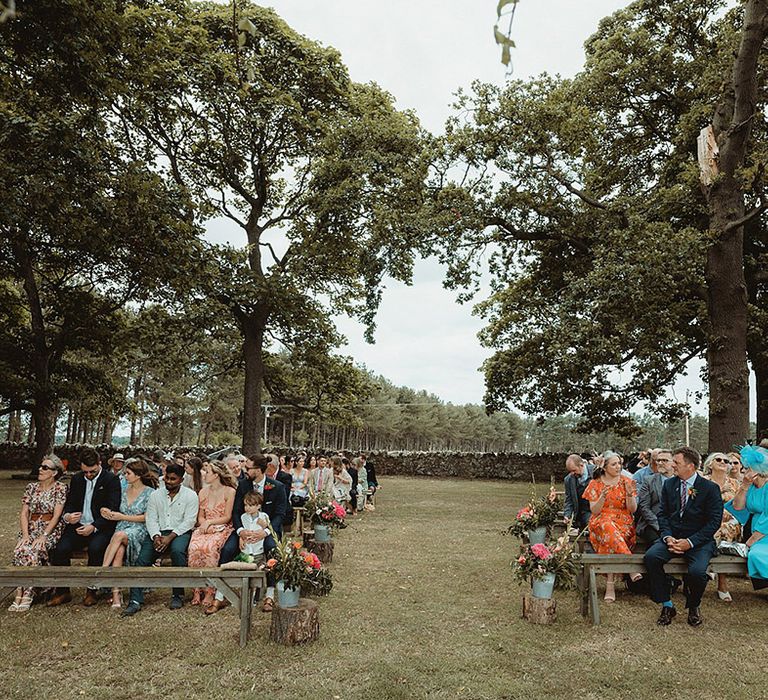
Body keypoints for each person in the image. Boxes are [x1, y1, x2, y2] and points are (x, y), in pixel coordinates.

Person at [643, 447, 723, 627]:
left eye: (676, 462)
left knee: (697, 572)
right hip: (673, 538)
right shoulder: (670, 485)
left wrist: (690, 542)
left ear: (691, 466)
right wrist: (667, 537)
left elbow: (713, 522)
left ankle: (694, 605)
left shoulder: (710, 488)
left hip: (699, 542)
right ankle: (667, 605)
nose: (672, 465)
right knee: (651, 557)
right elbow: (662, 515)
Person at [121, 463, 199, 616]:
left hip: (180, 533)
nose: (169, 482)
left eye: (173, 479)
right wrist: (156, 536)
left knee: (177, 552)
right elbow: (151, 519)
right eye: (167, 478)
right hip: (158, 532)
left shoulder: (190, 495)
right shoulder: (156, 495)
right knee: (142, 559)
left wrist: (170, 537)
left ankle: (178, 594)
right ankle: (135, 600)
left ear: (181, 480)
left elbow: (189, 521)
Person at [48, 447, 122, 607]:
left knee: (96, 548)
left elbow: (113, 508)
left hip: (101, 527)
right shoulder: (77, 479)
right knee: (60, 548)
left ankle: (91, 591)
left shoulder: (111, 480)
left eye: (92, 472)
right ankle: (62, 591)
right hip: (78, 526)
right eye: (85, 471)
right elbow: (70, 503)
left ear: (99, 464)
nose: (88, 475)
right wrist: (68, 516)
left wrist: (94, 526)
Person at [215, 455, 287, 612]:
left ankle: (269, 595)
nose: (244, 470)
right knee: (227, 550)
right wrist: (241, 532)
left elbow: (280, 515)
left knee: (272, 551)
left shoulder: (277, 486)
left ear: (260, 470)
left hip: (267, 531)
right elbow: (236, 512)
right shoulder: (242, 485)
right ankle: (219, 595)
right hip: (245, 528)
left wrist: (266, 532)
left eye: (248, 468)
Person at [9, 455, 67, 612]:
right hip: (32, 527)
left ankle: (28, 594)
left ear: (54, 472)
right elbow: (24, 513)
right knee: (21, 549)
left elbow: (57, 515)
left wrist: (44, 536)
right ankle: (19, 591)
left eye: (45, 468)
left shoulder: (60, 488)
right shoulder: (31, 487)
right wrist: (26, 535)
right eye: (41, 466)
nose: (40, 470)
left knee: (34, 551)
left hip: (50, 528)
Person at [99, 459, 157, 609]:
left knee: (118, 536)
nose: (125, 476)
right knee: (118, 550)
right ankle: (116, 594)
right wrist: (106, 511)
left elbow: (147, 517)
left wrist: (121, 517)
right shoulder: (123, 491)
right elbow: (114, 508)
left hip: (140, 529)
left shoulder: (150, 493)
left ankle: (102, 571)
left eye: (128, 473)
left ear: (137, 475)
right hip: (122, 527)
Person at [582, 451, 638, 602]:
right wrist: (602, 497)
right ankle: (630, 564)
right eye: (614, 464)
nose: (618, 466)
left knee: (611, 538)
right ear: (605, 467)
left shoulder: (628, 482)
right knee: (607, 526)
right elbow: (594, 510)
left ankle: (610, 585)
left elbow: (633, 510)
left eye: (619, 463)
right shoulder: (595, 484)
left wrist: (629, 495)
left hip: (623, 523)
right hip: (600, 521)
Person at [206, 491, 271, 615]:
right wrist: (241, 537)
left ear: (258, 506)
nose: (247, 508)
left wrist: (265, 528)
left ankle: (250, 601)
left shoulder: (263, 517)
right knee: (232, 571)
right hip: (246, 552)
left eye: (251, 505)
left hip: (258, 552)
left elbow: (269, 530)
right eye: (246, 505)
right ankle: (219, 598)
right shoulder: (243, 517)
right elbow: (242, 530)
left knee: (256, 574)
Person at [187, 460, 236, 608]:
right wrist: (204, 524)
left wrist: (211, 523)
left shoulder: (229, 491)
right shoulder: (203, 492)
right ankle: (196, 589)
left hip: (221, 526)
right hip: (205, 526)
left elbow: (228, 516)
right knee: (194, 547)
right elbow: (200, 516)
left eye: (208, 472)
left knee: (210, 548)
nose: (204, 475)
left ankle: (210, 590)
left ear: (216, 475)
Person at [702, 451, 742, 602]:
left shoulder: (735, 484)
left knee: (723, 530)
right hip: (706, 521)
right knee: (711, 529)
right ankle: (715, 580)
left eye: (726, 461)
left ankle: (721, 581)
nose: (723, 462)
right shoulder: (701, 481)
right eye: (718, 459)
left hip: (729, 523)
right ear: (710, 464)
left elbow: (740, 507)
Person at [732, 446, 768, 589]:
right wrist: (745, 485)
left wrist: (751, 540)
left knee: (757, 554)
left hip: (763, 531)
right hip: (753, 528)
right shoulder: (751, 486)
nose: (744, 471)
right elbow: (737, 506)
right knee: (755, 553)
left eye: (748, 468)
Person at [636, 450, 674, 543]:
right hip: (652, 524)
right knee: (658, 544)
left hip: (675, 525)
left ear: (674, 462)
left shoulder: (681, 481)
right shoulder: (649, 481)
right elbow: (644, 507)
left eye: (664, 460)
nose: (660, 463)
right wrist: (660, 525)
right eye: (658, 460)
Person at [563, 454, 593, 531]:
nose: (572, 473)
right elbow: (569, 500)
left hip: (599, 510)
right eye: (570, 471)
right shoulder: (568, 480)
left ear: (581, 465)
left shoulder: (595, 472)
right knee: (592, 524)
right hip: (584, 513)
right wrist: (567, 515)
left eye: (574, 470)